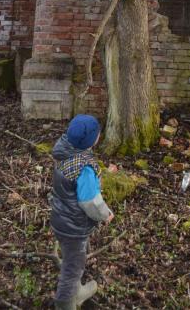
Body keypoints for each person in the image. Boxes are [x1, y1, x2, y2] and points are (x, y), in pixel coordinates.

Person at [50, 114, 114, 310]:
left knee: (73, 257)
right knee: (73, 268)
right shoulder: (84, 167)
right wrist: (105, 214)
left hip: (60, 218)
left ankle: (77, 291)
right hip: (73, 227)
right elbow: (90, 202)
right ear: (92, 139)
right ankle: (65, 303)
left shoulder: (64, 151)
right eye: (97, 134)